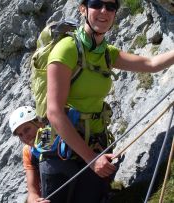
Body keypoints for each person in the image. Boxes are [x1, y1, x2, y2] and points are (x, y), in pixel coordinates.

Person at [10, 0, 174, 202]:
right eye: (96, 4)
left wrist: (94, 158)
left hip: (96, 143)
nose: (104, 11)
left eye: (111, 6)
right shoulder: (66, 49)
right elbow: (54, 112)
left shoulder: (106, 53)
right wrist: (92, 159)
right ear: (83, 9)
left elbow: (151, 64)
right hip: (64, 151)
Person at [9, 106, 49, 203]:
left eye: (27, 129)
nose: (25, 137)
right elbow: (32, 192)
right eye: (20, 135)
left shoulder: (54, 132)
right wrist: (35, 200)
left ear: (38, 122)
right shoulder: (28, 151)